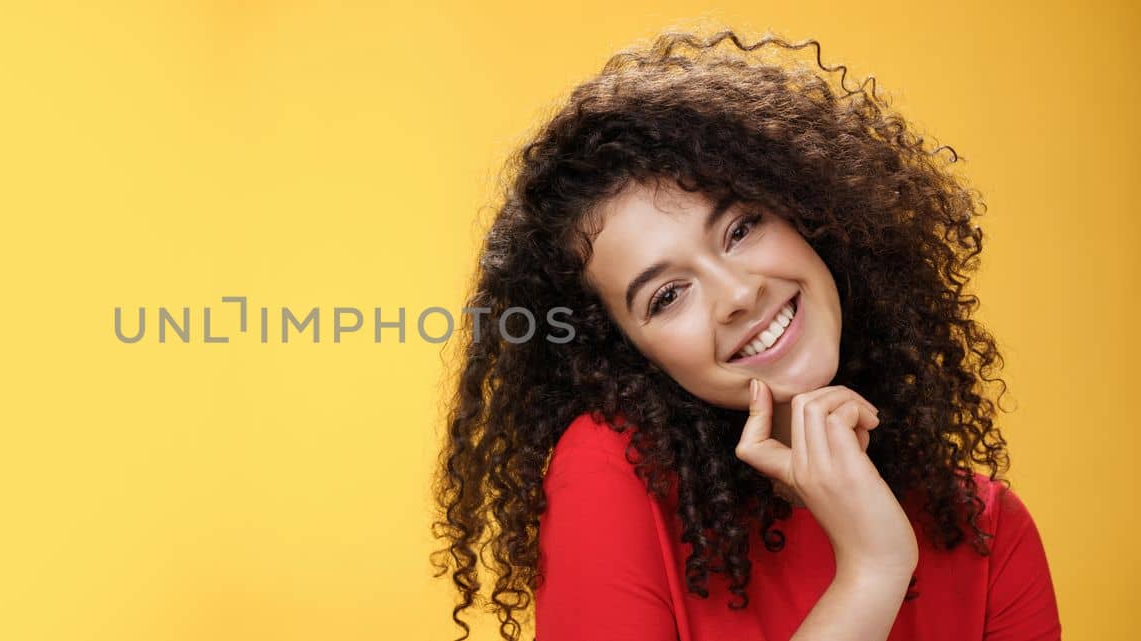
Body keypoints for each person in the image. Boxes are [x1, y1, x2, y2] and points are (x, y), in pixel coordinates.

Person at [428, 30, 1060, 641]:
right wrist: (871, 572)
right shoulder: (609, 476)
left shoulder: (989, 533)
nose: (737, 295)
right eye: (668, 295)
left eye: (741, 228)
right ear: (625, 353)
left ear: (811, 212)